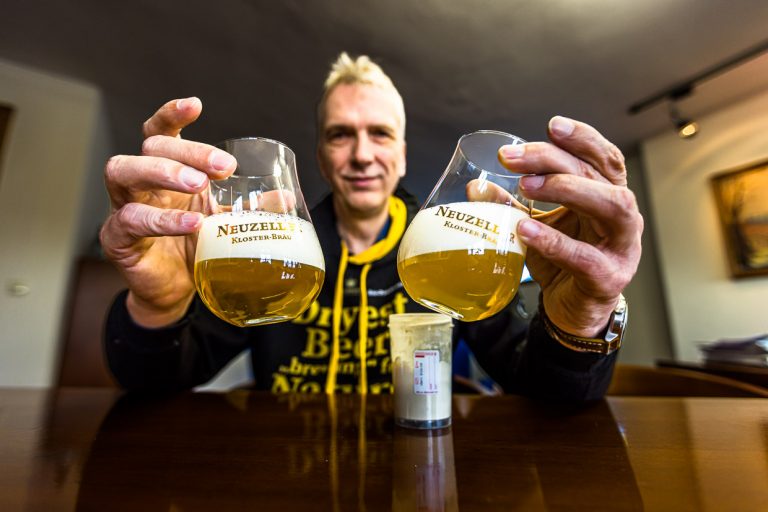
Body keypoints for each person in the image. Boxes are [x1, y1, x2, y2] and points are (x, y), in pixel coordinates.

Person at [100, 53, 643, 399]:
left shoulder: (454, 246)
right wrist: (159, 307)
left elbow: (545, 394)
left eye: (380, 134)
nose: (362, 154)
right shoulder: (273, 246)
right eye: (340, 134)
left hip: (419, 470)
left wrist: (582, 318)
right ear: (320, 154)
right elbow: (155, 387)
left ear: (402, 155)